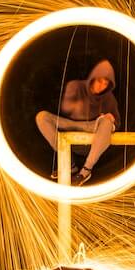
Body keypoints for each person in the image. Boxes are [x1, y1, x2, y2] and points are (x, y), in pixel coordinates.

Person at [35, 58, 121, 186]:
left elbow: (117, 124)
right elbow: (65, 108)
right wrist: (79, 106)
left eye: (105, 84)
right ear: (93, 78)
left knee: (107, 123)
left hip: (94, 137)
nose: (101, 86)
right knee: (42, 117)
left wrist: (110, 118)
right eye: (99, 81)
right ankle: (70, 165)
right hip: (70, 127)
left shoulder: (109, 98)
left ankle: (85, 171)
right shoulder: (75, 86)